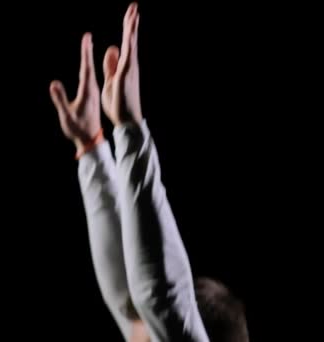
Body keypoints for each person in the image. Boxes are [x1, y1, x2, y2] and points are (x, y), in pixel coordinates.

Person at [49, 3, 248, 341]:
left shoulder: (172, 318)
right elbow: (131, 299)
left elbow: (162, 298)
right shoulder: (154, 318)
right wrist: (92, 147)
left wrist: (129, 129)